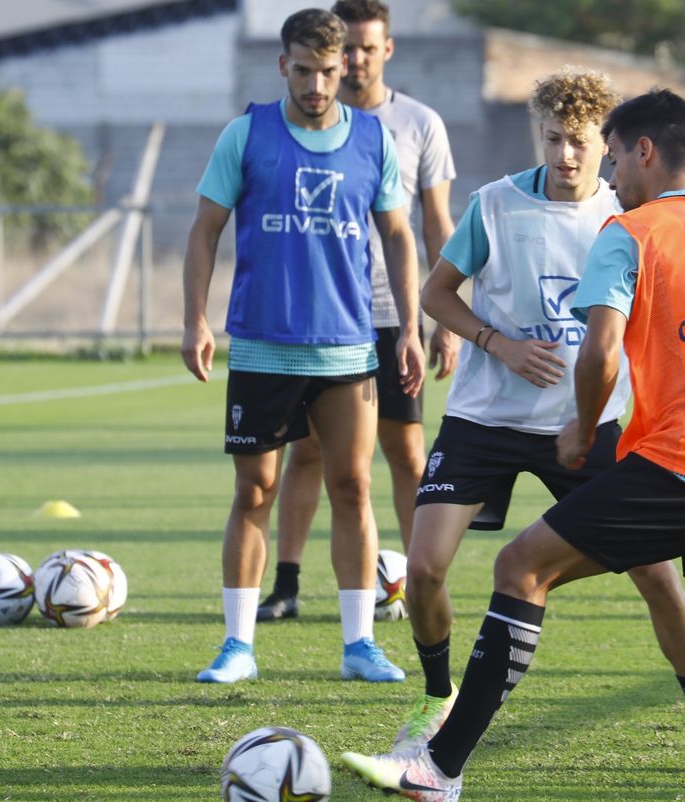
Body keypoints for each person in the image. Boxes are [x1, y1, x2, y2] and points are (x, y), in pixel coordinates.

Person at [343, 87, 685, 802]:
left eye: (613, 156)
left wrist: (582, 424)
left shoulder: (632, 229)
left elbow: (601, 349)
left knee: (522, 567)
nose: (609, 176)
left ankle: (437, 770)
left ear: (645, 152)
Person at [380, 66, 685, 776]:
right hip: (485, 419)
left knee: (658, 581)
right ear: (538, 134)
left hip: (593, 425)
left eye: (580, 142)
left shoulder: (630, 215)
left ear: (614, 146)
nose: (565, 155)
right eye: (552, 138)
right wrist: (496, 343)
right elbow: (438, 294)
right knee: (425, 566)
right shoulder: (495, 205)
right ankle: (436, 699)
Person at [181, 7, 423, 684]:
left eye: (327, 70)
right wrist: (195, 319)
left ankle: (359, 646)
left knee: (352, 486)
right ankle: (237, 646)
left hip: (347, 349)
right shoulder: (247, 134)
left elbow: (399, 235)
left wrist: (408, 325)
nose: (316, 84)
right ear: (282, 65)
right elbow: (205, 230)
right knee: (255, 491)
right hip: (261, 345)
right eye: (304, 70)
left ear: (345, 65)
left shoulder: (372, 140)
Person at [259, 0, 460, 624]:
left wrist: (442, 320)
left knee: (406, 450)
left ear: (387, 50)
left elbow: (434, 225)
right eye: (347, 51)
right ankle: (286, 583)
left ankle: (424, 580)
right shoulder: (308, 123)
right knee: (311, 452)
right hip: (324, 315)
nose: (355, 62)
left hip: (390, 313)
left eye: (368, 49)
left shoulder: (419, 124)